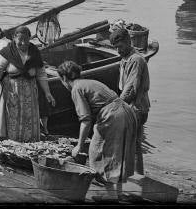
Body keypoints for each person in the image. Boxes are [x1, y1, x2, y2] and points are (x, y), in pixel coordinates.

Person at [57, 60, 138, 200]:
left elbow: (86, 120)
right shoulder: (88, 81)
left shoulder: (76, 88)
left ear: (64, 78)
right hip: (127, 111)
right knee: (118, 153)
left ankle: (111, 196)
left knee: (97, 153)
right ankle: (117, 193)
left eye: (61, 80)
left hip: (113, 116)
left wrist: (79, 146)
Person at [0, 25, 55, 142]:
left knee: (29, 116)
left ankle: (28, 140)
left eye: (26, 40)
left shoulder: (34, 51)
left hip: (30, 89)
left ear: (30, 38)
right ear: (14, 38)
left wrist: (47, 93)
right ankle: (12, 140)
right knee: (13, 116)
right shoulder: (9, 50)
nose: (23, 43)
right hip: (12, 89)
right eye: (20, 40)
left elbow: (41, 73)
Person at [111, 27, 151, 174]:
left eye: (120, 47)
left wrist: (115, 106)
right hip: (131, 107)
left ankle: (135, 178)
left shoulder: (136, 60)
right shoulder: (125, 58)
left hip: (137, 108)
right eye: (115, 48)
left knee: (132, 145)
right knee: (131, 144)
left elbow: (131, 89)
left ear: (128, 41)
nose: (118, 51)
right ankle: (134, 176)